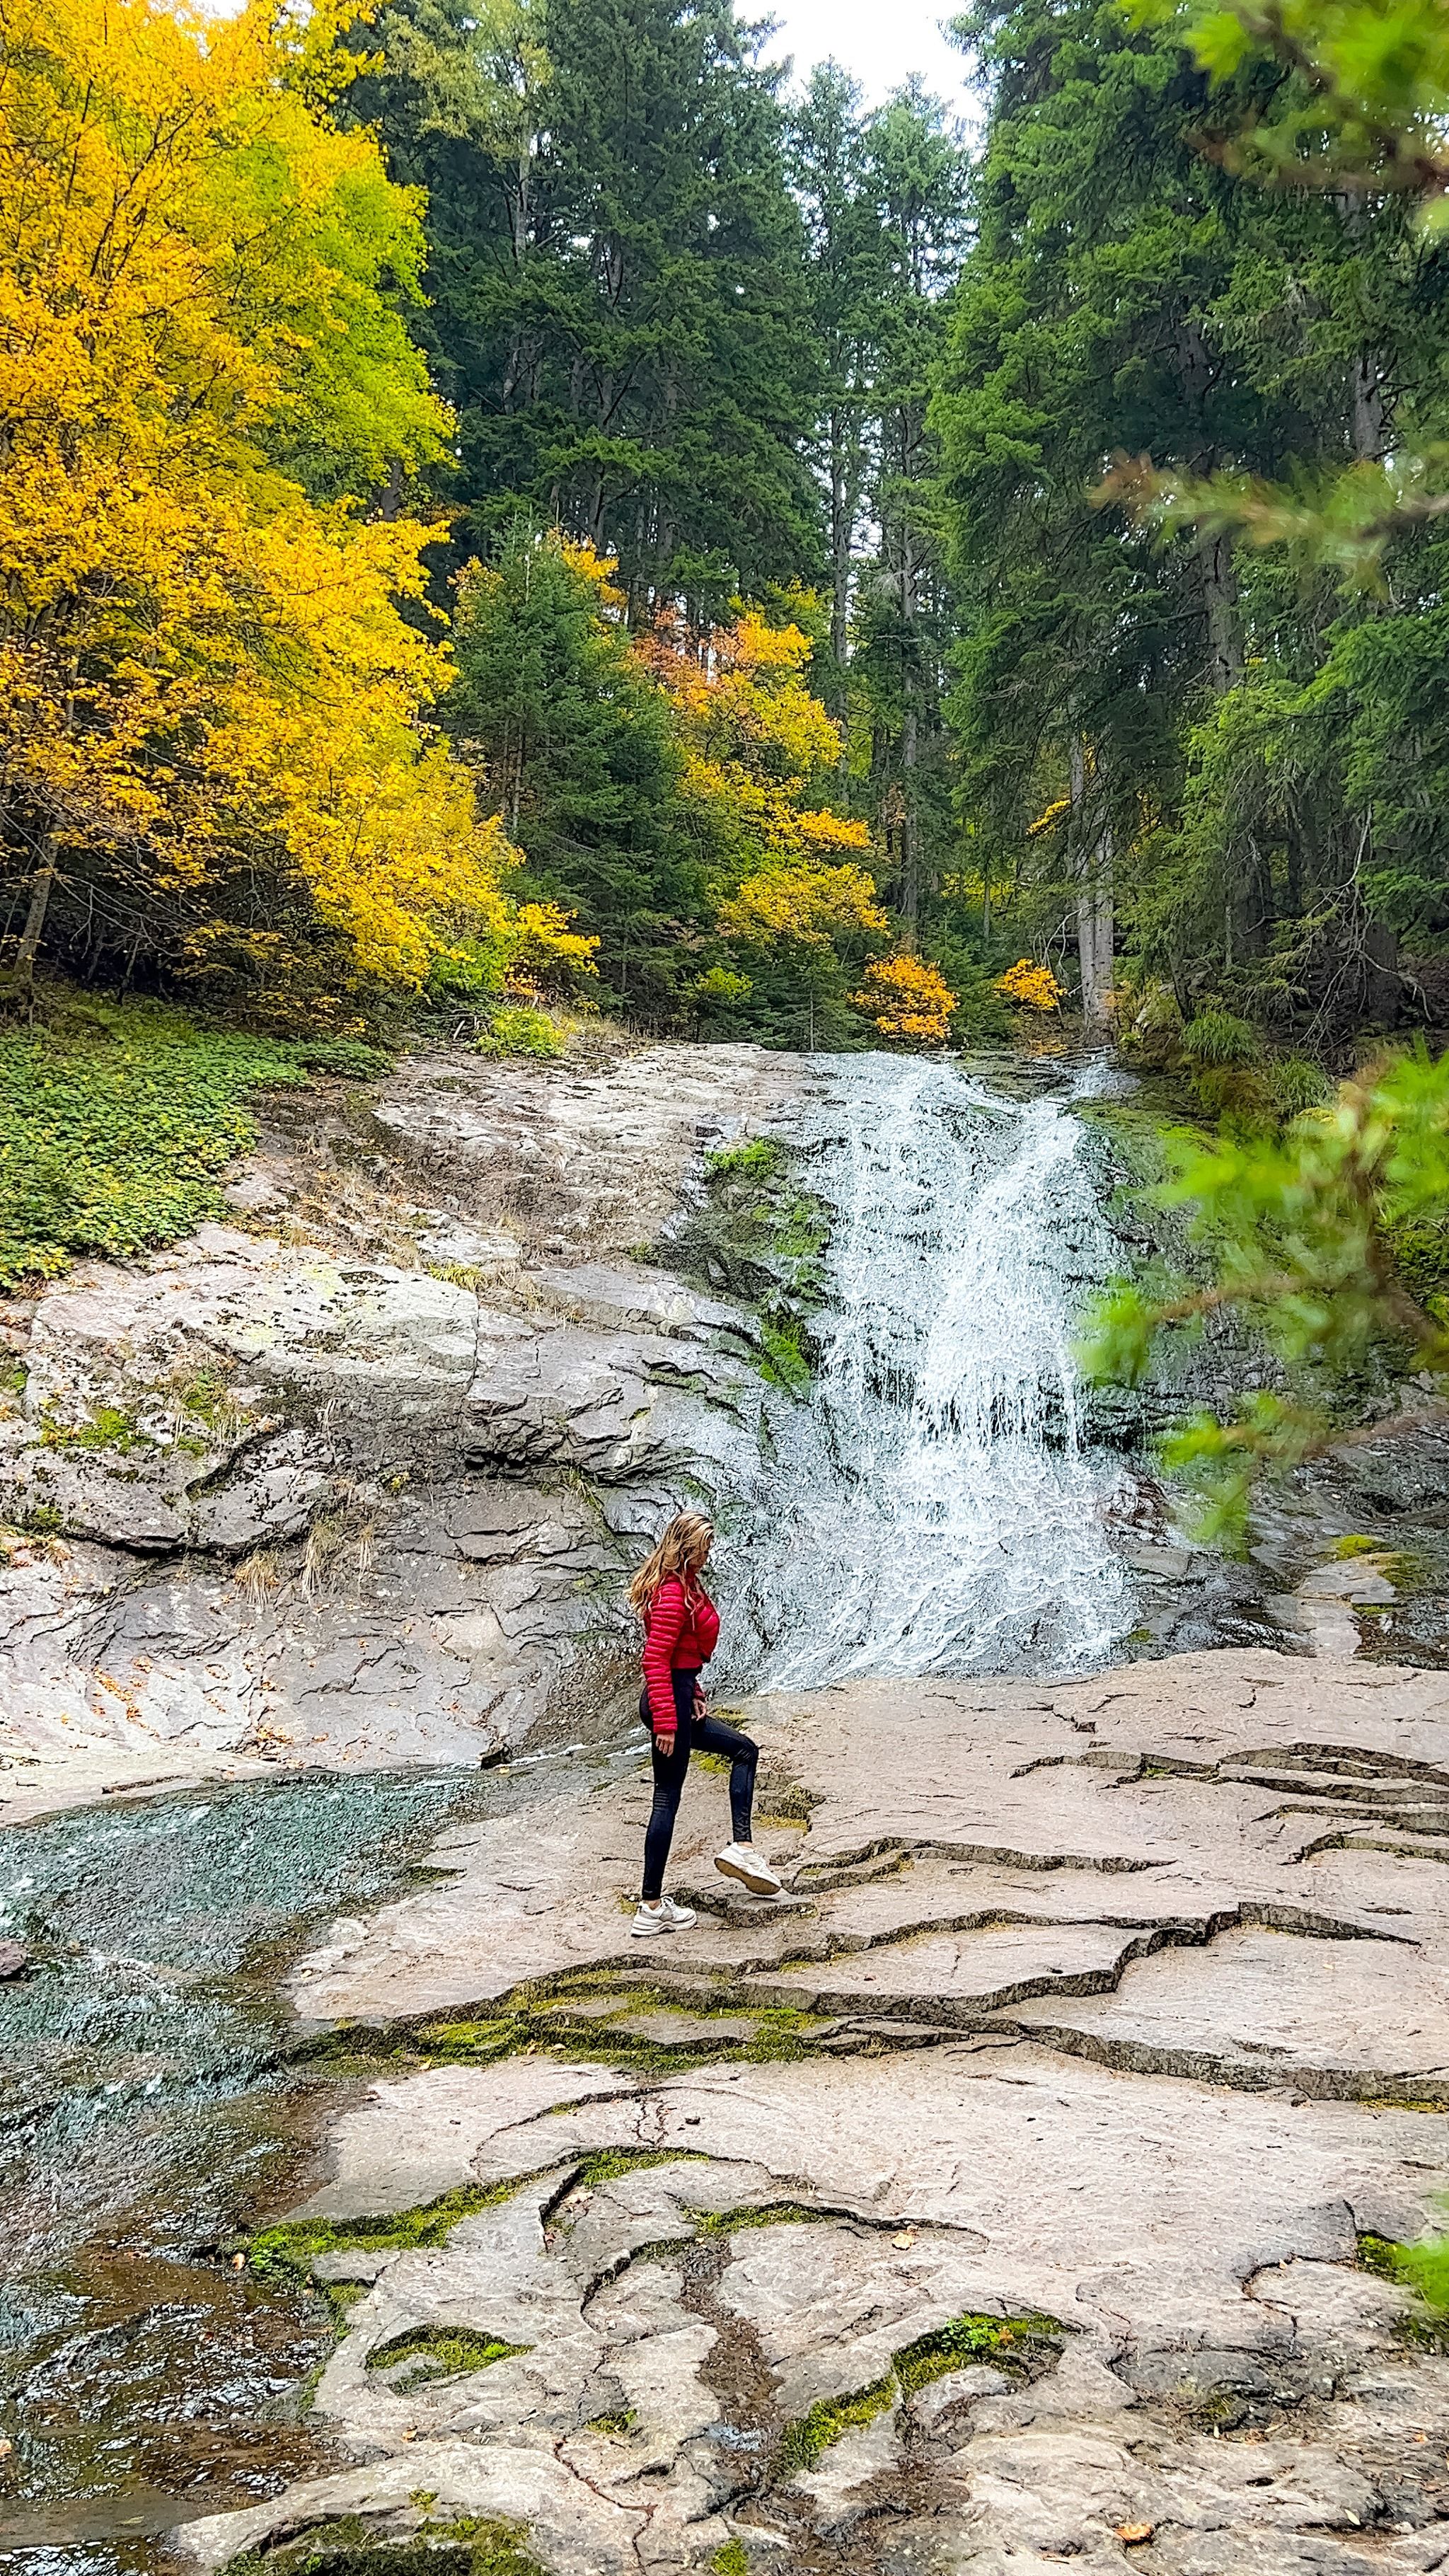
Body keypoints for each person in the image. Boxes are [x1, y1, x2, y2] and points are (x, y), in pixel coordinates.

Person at [628, 1510, 782, 1936]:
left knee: (743, 1750)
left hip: (678, 1696)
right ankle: (650, 1907)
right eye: (704, 1546)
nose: (709, 1553)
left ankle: (741, 1848)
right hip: (668, 1704)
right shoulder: (672, 1594)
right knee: (667, 1798)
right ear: (686, 1548)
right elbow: (655, 1659)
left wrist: (693, 1691)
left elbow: (681, 1653)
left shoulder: (685, 1585)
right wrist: (666, 1722)